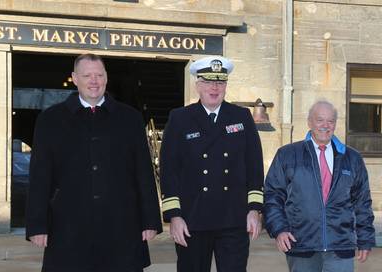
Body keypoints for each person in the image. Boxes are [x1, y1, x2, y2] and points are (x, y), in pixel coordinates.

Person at [25, 53, 162, 272]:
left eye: (99, 74)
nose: (94, 81)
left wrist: (150, 220)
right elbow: (40, 175)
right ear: (74, 78)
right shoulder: (50, 120)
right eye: (87, 75)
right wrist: (37, 225)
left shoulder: (130, 118)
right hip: (68, 226)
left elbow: (143, 172)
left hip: (122, 226)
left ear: (106, 77)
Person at [160, 56, 264, 272]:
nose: (214, 88)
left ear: (226, 86)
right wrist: (174, 216)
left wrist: (254, 210)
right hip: (192, 220)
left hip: (233, 218)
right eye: (208, 82)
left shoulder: (241, 116)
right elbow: (169, 170)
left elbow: (254, 167)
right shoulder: (180, 118)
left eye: (220, 82)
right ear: (198, 85)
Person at [264, 100, 375, 272]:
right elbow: (273, 195)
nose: (325, 125)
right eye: (320, 120)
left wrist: (365, 239)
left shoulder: (352, 158)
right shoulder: (288, 155)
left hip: (341, 247)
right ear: (309, 122)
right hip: (301, 244)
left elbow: (362, 202)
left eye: (330, 121)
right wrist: (279, 229)